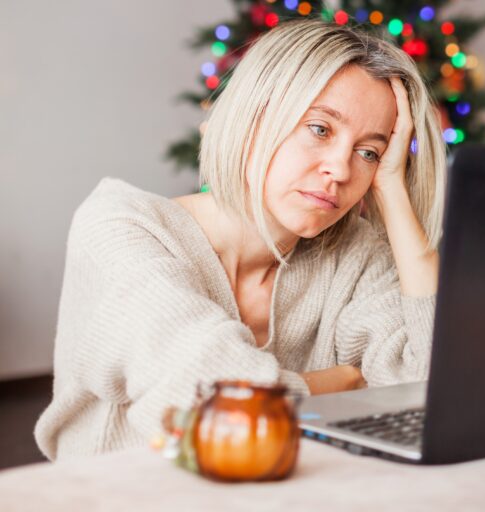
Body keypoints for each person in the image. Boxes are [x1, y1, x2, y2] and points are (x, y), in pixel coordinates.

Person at [34, 18, 446, 460]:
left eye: (369, 152)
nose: (342, 171)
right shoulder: (120, 228)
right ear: (255, 117)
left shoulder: (353, 252)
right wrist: (343, 381)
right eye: (320, 129)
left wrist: (393, 190)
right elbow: (206, 402)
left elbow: (436, 383)